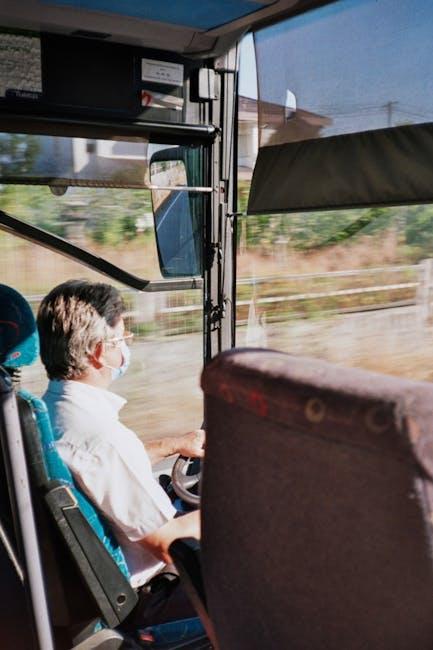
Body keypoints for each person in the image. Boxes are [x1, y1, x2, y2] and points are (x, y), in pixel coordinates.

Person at [37, 279, 204, 629]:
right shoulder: (103, 439)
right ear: (100, 351)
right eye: (123, 338)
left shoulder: (49, 412)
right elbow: (169, 544)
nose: (126, 347)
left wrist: (174, 444)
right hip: (145, 599)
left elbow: (97, 467)